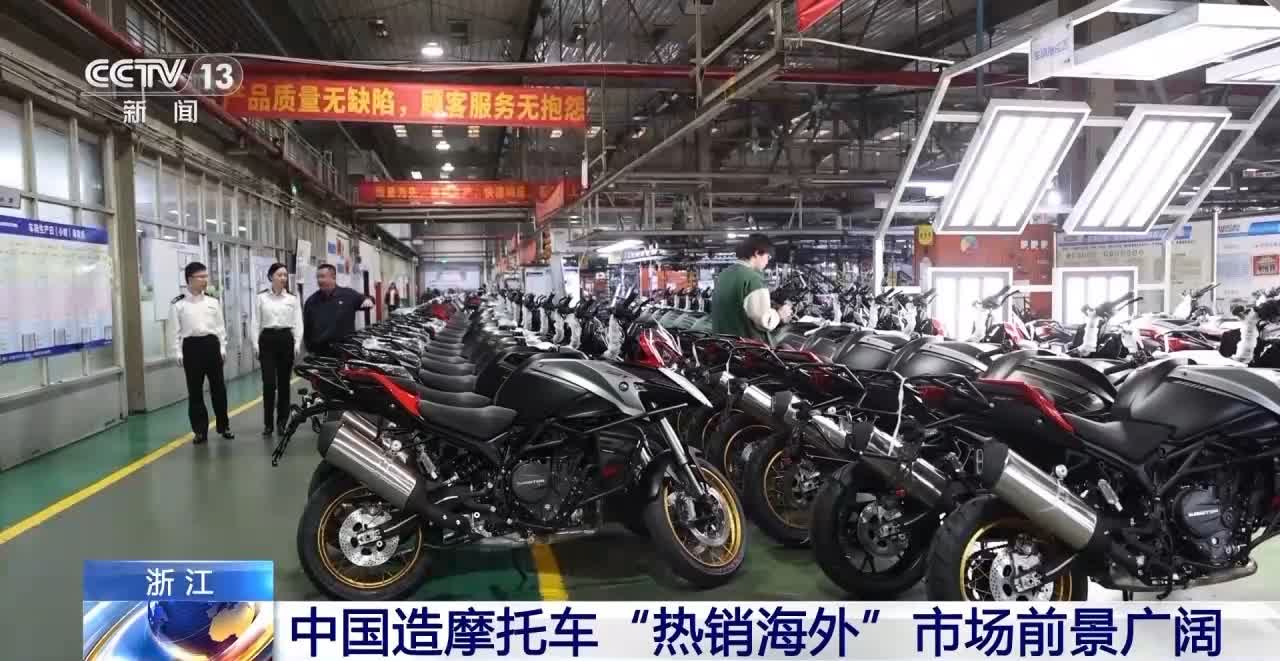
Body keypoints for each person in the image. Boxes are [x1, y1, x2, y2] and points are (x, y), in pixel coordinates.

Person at [170, 262, 234, 444]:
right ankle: (200, 431)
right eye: (201, 277)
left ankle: (224, 426)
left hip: (211, 345)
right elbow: (174, 331)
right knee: (195, 391)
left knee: (219, 389)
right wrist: (177, 352)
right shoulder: (178, 304)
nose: (205, 280)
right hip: (191, 347)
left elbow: (220, 328)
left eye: (206, 276)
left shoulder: (213, 302)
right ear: (190, 279)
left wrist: (222, 347)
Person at [251, 262, 304, 437]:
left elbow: (297, 322)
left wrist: (297, 343)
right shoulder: (261, 298)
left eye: (285, 275)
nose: (283, 278)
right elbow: (255, 322)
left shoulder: (292, 299)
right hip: (267, 340)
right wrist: (255, 344)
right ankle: (268, 424)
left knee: (283, 384)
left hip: (285, 339)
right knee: (269, 384)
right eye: (279, 275)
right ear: (271, 277)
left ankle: (282, 422)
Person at [710, 233, 793, 343]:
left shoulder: (724, 275)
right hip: (746, 348)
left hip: (723, 344)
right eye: (768, 257)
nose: (767, 261)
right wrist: (780, 314)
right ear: (757, 253)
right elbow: (765, 322)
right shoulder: (753, 279)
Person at [303, 263, 373, 357]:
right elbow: (307, 328)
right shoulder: (311, 301)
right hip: (321, 352)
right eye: (318, 277)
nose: (319, 280)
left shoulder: (348, 295)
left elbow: (366, 300)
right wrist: (309, 349)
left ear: (333, 277)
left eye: (322, 276)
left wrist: (368, 299)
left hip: (345, 350)